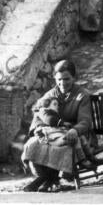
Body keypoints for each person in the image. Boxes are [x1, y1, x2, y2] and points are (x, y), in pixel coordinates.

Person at [21, 59, 94, 192]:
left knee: (64, 146)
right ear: (55, 78)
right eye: (59, 79)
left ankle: (47, 180)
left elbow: (85, 121)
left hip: (77, 136)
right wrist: (38, 129)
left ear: (74, 77)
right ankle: (46, 178)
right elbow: (40, 115)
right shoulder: (50, 95)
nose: (62, 83)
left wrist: (75, 130)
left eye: (67, 79)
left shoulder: (82, 95)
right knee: (33, 144)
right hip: (53, 133)